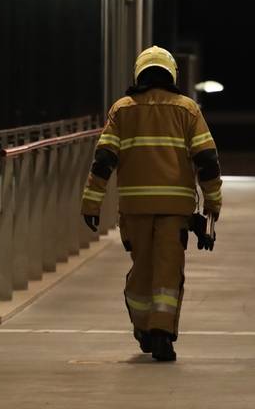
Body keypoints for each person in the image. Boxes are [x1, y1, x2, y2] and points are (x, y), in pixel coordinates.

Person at [80, 46, 221, 362]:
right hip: (175, 209)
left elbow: (104, 160)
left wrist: (91, 202)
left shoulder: (122, 110)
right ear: (172, 74)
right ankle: (162, 333)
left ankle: (144, 327)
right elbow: (207, 161)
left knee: (141, 269)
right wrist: (213, 202)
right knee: (168, 270)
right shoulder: (187, 110)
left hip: (135, 208)